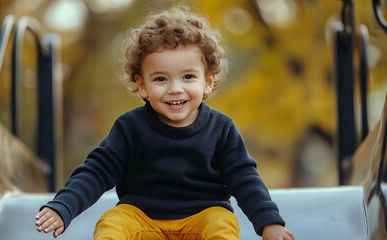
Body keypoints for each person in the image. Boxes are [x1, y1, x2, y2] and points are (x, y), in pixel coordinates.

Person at [35, 5, 294, 240]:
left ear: (207, 82)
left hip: (202, 216)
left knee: (222, 224)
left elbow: (244, 177)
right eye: (160, 79)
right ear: (142, 85)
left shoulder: (221, 129)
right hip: (140, 218)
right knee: (111, 222)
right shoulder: (130, 127)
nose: (175, 89)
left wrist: (268, 223)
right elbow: (97, 171)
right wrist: (64, 206)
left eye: (188, 77)